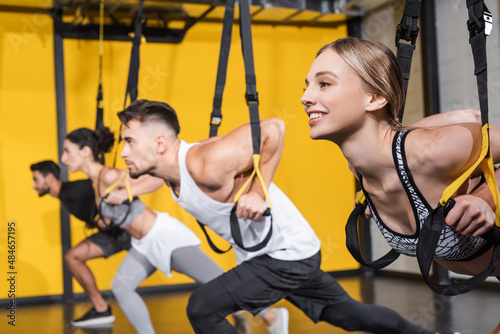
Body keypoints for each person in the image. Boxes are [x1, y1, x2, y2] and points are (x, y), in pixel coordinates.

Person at [113, 99, 457, 334]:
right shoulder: (170, 168)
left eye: (129, 141)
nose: (123, 151)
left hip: (285, 255)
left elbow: (274, 128)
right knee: (346, 314)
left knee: (202, 308)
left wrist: (257, 194)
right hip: (282, 253)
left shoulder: (206, 163)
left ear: (159, 143)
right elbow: (149, 180)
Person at [300, 36, 500, 333]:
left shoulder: (429, 152)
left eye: (324, 84)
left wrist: (485, 198)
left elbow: (467, 124)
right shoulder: (363, 169)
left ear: (375, 98)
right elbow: (464, 119)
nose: (305, 97)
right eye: (306, 85)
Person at [60, 127, 282, 334]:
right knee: (121, 286)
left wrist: (127, 193)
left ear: (86, 151)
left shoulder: (108, 175)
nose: (63, 159)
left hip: (164, 236)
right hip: (144, 244)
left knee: (217, 281)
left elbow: (159, 178)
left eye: (67, 151)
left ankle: (272, 316)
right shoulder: (95, 181)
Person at [30, 160, 130, 327]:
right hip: (112, 235)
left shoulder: (74, 189)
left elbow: (110, 184)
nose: (33, 185)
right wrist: (94, 219)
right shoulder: (65, 196)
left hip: (128, 230)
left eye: (36, 179)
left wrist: (107, 218)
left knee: (172, 261)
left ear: (48, 178)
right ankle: (101, 308)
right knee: (72, 257)